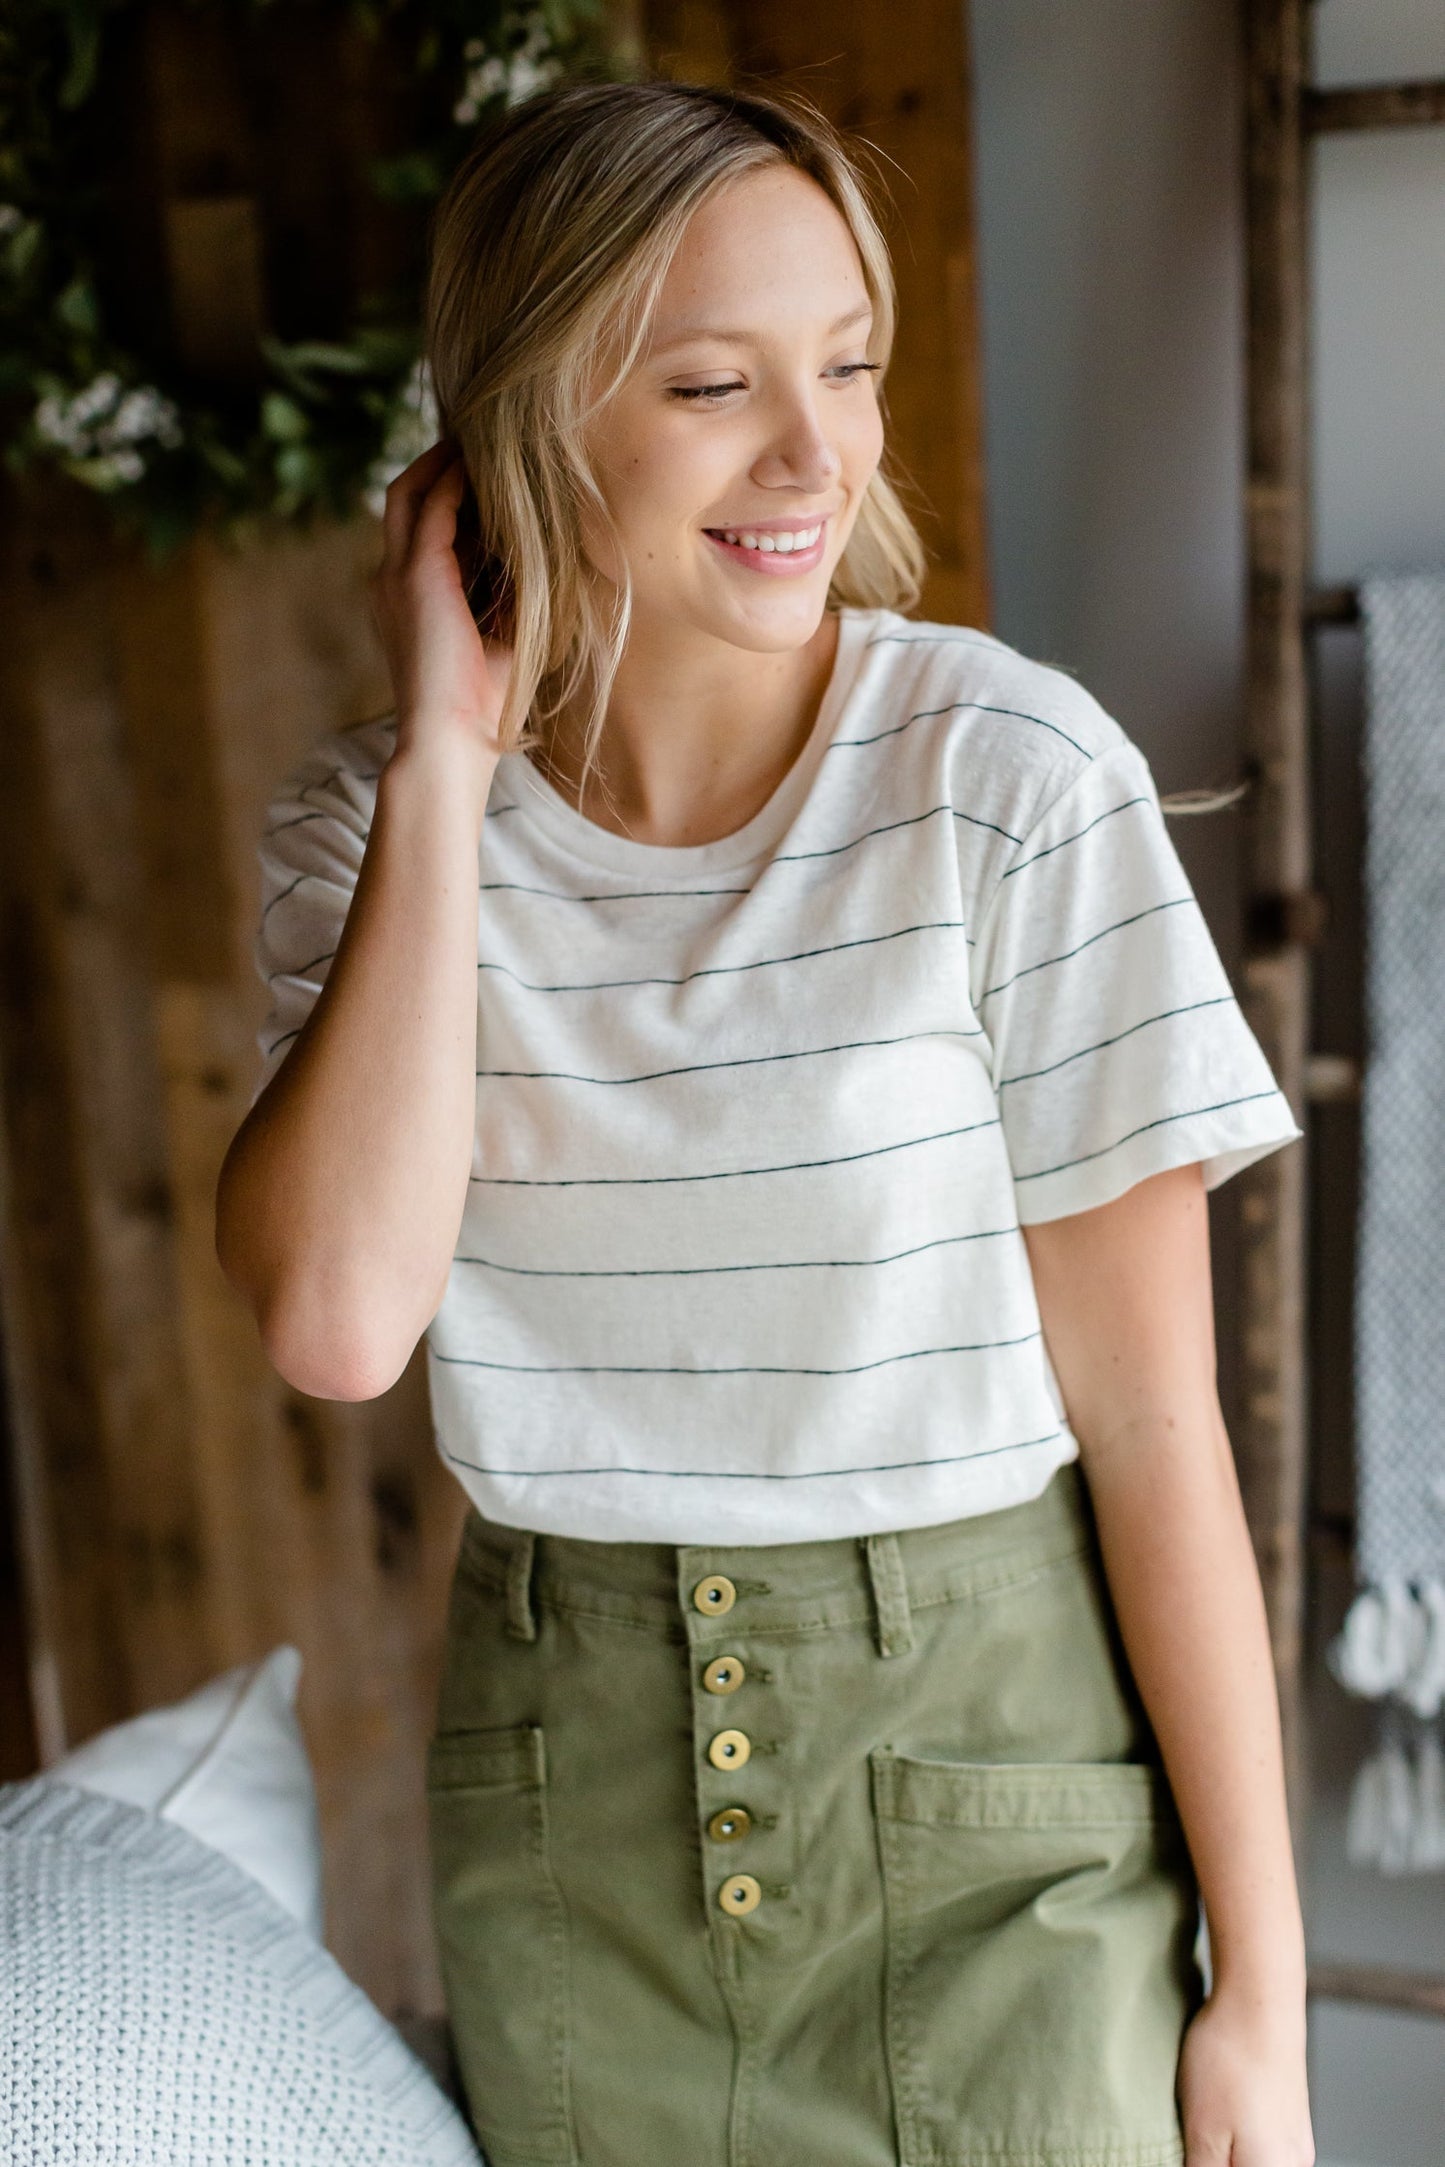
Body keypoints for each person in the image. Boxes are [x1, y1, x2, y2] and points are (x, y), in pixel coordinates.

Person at [215, 77, 1316, 2167]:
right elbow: (342, 1324)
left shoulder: (1007, 780)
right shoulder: (365, 837)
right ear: (523, 426)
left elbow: (1164, 1424)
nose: (816, 454)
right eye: (718, 385)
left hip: (1008, 1827)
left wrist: (1256, 1994)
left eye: (848, 366)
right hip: (574, 1842)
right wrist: (451, 771)